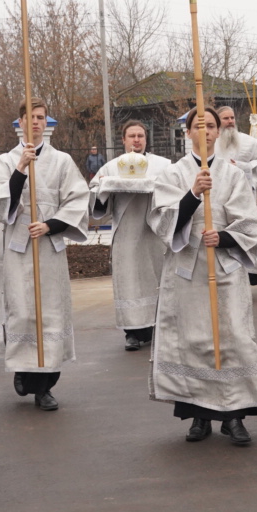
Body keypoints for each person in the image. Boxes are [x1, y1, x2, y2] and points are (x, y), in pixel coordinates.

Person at [151, 106, 257, 445]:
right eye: (199, 125)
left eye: (211, 126)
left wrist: (221, 237)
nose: (206, 131)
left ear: (218, 133)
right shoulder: (172, 173)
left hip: (224, 268)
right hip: (186, 272)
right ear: (187, 132)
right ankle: (199, 417)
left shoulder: (234, 173)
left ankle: (235, 417)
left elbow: (250, 221)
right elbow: (161, 221)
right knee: (193, 343)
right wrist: (193, 195)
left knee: (232, 339)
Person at [0, 102, 90, 411]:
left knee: (50, 314)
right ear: (21, 122)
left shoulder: (62, 161)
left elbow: (78, 199)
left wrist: (51, 225)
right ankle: (24, 373)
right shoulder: (6, 160)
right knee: (23, 311)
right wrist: (20, 170)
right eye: (32, 118)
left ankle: (45, 388)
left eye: (42, 118)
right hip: (16, 248)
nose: (37, 123)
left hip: (49, 248)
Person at [88, 120, 169, 352]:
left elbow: (175, 188)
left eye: (140, 136)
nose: (136, 140)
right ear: (123, 140)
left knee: (155, 278)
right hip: (126, 232)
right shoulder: (111, 168)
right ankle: (131, 333)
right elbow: (95, 195)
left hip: (154, 232)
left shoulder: (162, 165)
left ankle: (156, 327)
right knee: (129, 281)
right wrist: (103, 189)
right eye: (131, 136)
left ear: (146, 139)